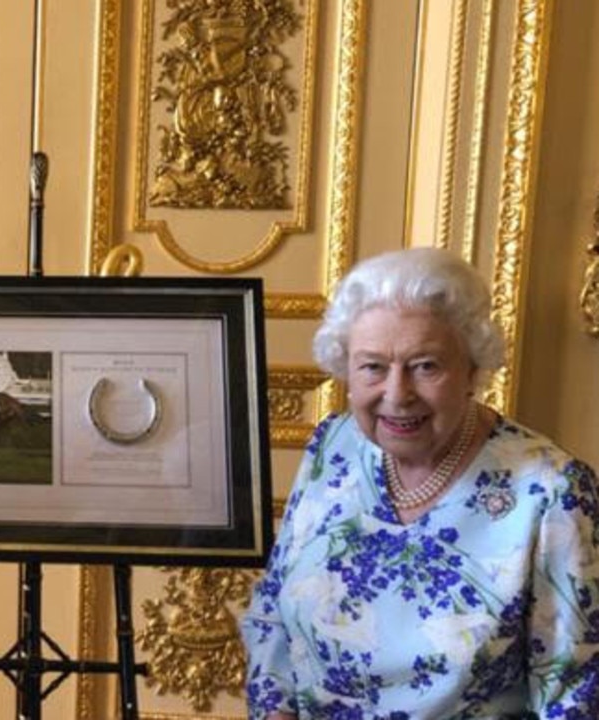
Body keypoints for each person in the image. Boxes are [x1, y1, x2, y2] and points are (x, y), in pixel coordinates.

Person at [240, 247, 599, 718]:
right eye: (373, 366)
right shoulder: (335, 446)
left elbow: (574, 694)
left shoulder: (551, 492)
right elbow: (272, 615)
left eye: (425, 366)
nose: (397, 394)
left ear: (473, 369)